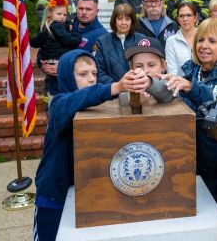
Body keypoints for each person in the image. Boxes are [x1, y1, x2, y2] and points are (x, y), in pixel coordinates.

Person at [33, 49, 148, 241]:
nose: (91, 79)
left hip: (82, 193)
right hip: (53, 196)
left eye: (94, 74)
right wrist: (116, 87)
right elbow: (79, 98)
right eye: (82, 74)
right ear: (66, 76)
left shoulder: (94, 105)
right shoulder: (59, 103)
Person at [164, 18, 217, 202]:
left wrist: (190, 87)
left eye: (212, 41)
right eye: (200, 40)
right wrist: (156, 87)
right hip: (188, 148)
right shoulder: (191, 70)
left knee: (213, 201)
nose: (204, 45)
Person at [30, 0, 82, 95]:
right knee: (63, 88)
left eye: (64, 15)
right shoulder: (57, 26)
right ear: (50, 14)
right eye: (59, 14)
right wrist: (77, 35)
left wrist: (30, 40)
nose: (62, 17)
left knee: (55, 89)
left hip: (49, 62)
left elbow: (35, 42)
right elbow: (69, 40)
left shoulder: (46, 27)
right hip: (59, 62)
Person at [94, 4, 144, 84]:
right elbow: (98, 70)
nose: (124, 23)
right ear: (114, 21)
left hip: (138, 90)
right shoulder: (102, 42)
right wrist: (118, 86)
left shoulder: (141, 40)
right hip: (112, 92)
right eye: (120, 19)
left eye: (127, 19)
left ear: (132, 21)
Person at [124, 37, 174, 103]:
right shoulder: (130, 87)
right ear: (132, 68)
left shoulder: (172, 84)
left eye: (151, 65)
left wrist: (150, 86)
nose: (145, 71)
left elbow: (168, 94)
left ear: (164, 66)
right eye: (138, 66)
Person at [165, 1, 198, 76]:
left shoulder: (204, 37)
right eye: (181, 16)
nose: (185, 19)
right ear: (178, 19)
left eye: (189, 15)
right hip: (180, 86)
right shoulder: (171, 41)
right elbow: (171, 71)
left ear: (195, 18)